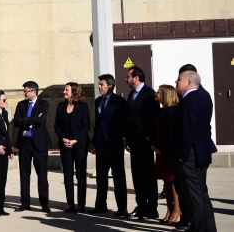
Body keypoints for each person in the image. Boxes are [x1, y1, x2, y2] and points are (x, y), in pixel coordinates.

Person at [173, 70, 217, 231]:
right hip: (201, 152)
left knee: (194, 198)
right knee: (201, 195)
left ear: (188, 82)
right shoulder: (203, 96)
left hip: (191, 154)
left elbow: (187, 131)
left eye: (179, 79)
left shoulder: (190, 100)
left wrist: (181, 156)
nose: (176, 81)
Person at [90, 74, 128, 217]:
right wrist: (95, 141)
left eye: (101, 84)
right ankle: (100, 205)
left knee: (118, 177)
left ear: (110, 86)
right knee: (101, 177)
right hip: (100, 145)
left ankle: (122, 208)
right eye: (99, 84)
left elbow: (124, 122)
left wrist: (122, 138)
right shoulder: (98, 101)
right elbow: (97, 122)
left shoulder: (119, 101)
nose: (99, 87)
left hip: (114, 144)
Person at [125, 66, 160, 219]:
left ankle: (152, 209)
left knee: (148, 177)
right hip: (134, 142)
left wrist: (149, 138)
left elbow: (152, 120)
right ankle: (141, 206)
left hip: (145, 143)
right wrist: (127, 138)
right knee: (137, 176)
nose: (126, 79)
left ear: (136, 78)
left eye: (128, 76)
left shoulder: (149, 94)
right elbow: (129, 119)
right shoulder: (132, 94)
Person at [12, 81, 51, 212]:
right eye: (24, 90)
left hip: (39, 143)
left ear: (34, 91)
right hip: (24, 143)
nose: (24, 93)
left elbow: (41, 121)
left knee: (42, 175)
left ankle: (44, 203)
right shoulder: (21, 104)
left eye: (26, 91)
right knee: (24, 174)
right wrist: (31, 120)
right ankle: (25, 203)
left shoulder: (43, 104)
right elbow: (17, 122)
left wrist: (26, 121)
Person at [54, 82, 90, 213]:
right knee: (67, 175)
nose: (64, 92)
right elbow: (56, 125)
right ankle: (70, 204)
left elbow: (85, 126)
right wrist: (62, 138)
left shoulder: (83, 107)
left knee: (81, 175)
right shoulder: (60, 106)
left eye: (66, 90)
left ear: (74, 92)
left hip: (79, 145)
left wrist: (75, 140)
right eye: (64, 90)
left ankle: (81, 204)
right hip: (65, 145)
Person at [152, 85, 181, 225]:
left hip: (168, 151)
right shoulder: (161, 111)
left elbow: (171, 135)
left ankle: (177, 209)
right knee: (166, 182)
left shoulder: (173, 111)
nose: (156, 93)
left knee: (172, 181)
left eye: (158, 91)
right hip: (160, 151)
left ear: (166, 94)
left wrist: (162, 148)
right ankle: (169, 210)